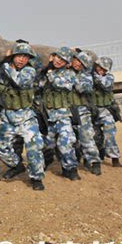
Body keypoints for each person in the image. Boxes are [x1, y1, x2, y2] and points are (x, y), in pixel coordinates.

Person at [0, 42, 46, 190]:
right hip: (8, 117)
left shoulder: (29, 71)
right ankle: (17, 165)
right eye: (19, 56)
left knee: (34, 147)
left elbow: (20, 82)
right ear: (13, 56)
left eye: (25, 57)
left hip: (26, 117)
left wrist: (6, 65)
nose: (22, 59)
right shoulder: (5, 69)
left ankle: (36, 177)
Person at [39, 47, 81, 180]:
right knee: (47, 145)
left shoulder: (69, 74)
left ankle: (71, 168)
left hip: (62, 116)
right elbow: (36, 84)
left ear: (67, 63)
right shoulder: (45, 73)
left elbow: (62, 85)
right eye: (57, 57)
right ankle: (44, 164)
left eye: (63, 60)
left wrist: (50, 73)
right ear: (53, 56)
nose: (59, 61)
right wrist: (46, 68)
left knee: (66, 143)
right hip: (47, 117)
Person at [71, 50, 103, 176]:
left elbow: (81, 88)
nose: (77, 63)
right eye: (76, 60)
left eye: (81, 62)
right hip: (69, 110)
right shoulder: (67, 72)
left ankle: (95, 162)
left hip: (82, 110)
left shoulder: (86, 76)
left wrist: (72, 77)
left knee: (86, 137)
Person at [93, 57, 122, 167]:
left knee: (110, 134)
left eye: (104, 69)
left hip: (106, 110)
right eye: (99, 67)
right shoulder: (89, 77)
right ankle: (99, 154)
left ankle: (115, 158)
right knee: (95, 136)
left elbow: (105, 85)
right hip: (93, 111)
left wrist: (95, 77)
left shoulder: (109, 77)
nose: (101, 70)